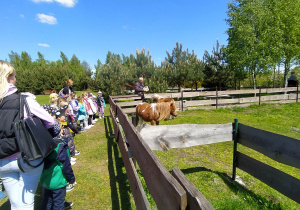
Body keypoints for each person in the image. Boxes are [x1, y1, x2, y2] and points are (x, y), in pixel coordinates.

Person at [0, 60, 55, 209]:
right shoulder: (24, 100)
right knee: (26, 202)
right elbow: (50, 121)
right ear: (9, 76)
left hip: (2, 160)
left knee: (15, 203)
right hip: (26, 156)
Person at [39, 123, 75, 210]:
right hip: (58, 181)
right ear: (58, 132)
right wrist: (71, 179)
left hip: (45, 180)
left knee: (47, 201)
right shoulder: (60, 147)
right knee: (58, 203)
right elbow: (66, 165)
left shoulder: (41, 145)